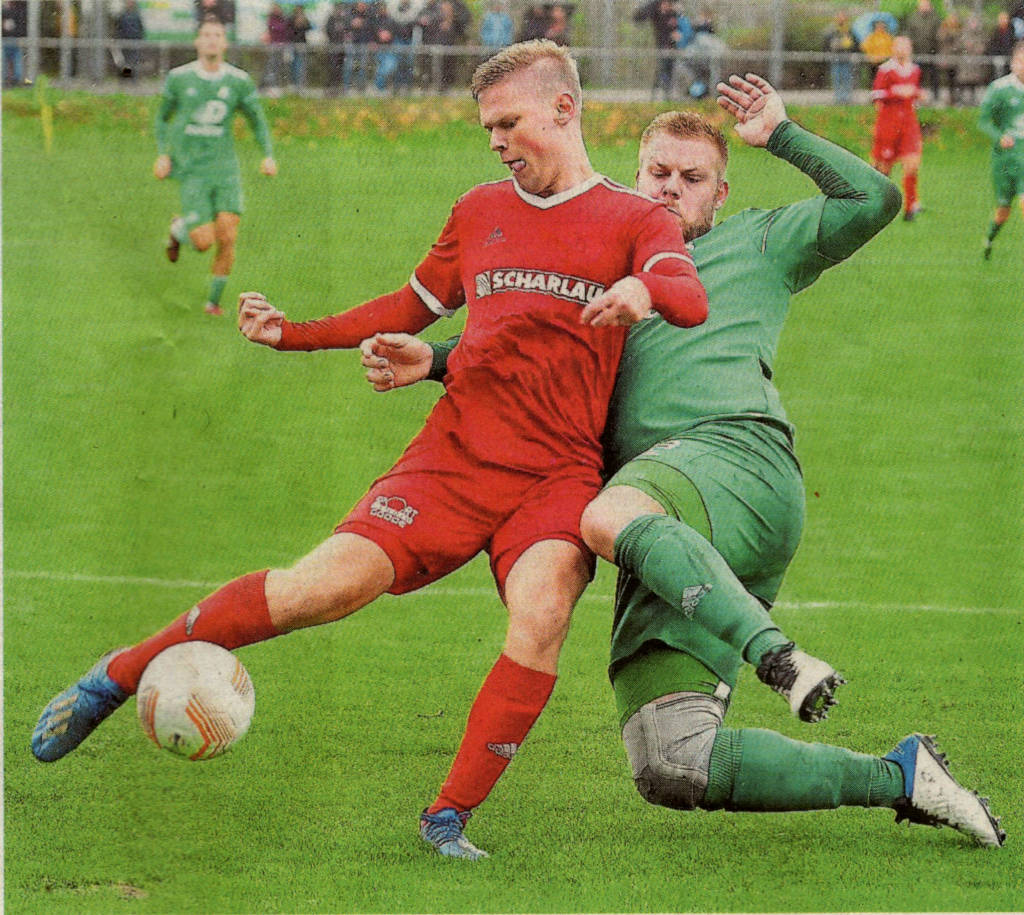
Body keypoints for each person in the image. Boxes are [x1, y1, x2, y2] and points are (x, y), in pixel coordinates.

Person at [31, 40, 708, 865]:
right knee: (320, 589)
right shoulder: (478, 209)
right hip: (452, 458)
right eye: (486, 127)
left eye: (508, 122)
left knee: (542, 614)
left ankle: (446, 818)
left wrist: (642, 287)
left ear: (563, 110)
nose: (495, 140)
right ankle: (118, 673)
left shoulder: (637, 218)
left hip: (556, 475)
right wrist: (295, 334)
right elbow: (411, 304)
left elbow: (688, 294)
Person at [366, 74, 1006, 850]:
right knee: (672, 762)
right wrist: (434, 361)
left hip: (737, 465)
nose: (671, 189)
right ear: (634, 178)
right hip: (667, 530)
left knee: (601, 513)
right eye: (657, 174)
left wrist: (784, 133)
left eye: (691, 178)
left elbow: (873, 201)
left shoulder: (760, 241)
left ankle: (776, 655)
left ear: (720, 193)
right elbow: (523, 370)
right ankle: (902, 775)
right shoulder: (597, 266)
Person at [152, 17, 277, 316]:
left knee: (228, 236)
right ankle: (178, 229)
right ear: (197, 42)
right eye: (205, 35)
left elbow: (257, 121)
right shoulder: (179, 78)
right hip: (192, 170)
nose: (211, 40)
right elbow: (161, 118)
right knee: (204, 242)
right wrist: (163, 154)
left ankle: (213, 303)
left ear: (225, 43)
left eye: (217, 35)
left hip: (225, 170)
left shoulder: (238, 81)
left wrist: (268, 154)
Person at [871, 35, 923, 221]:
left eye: (906, 46)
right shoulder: (885, 69)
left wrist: (917, 94)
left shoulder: (915, 69)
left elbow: (914, 93)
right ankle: (876, 204)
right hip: (889, 124)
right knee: (883, 168)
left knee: (912, 163)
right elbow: (876, 95)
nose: (902, 50)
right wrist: (895, 92)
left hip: (909, 123)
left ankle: (910, 207)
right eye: (899, 46)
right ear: (893, 49)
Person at [979, 41, 1024, 260]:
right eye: (1020, 61)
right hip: (1006, 159)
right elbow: (984, 121)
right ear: (1014, 63)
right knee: (1003, 210)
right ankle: (989, 239)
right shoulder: (999, 89)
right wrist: (1000, 137)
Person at [634, 0, 686, 101]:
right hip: (662, 46)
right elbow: (639, 17)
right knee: (662, 69)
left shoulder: (674, 13)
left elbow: (680, 26)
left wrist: (677, 34)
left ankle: (667, 93)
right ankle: (659, 94)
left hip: (673, 47)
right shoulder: (655, 10)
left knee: (670, 70)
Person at [904, 0, 940, 99]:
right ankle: (915, 97)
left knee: (934, 76)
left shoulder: (935, 18)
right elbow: (909, 34)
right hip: (917, 52)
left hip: (932, 52)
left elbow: (939, 34)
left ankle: (935, 97)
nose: (924, 7)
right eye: (923, 5)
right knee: (917, 76)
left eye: (926, 5)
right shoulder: (912, 18)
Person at [823, 11, 856, 105]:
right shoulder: (832, 29)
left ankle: (847, 98)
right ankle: (838, 98)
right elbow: (826, 42)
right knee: (837, 77)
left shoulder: (849, 30)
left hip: (846, 57)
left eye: (843, 16)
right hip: (835, 57)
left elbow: (854, 42)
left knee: (847, 77)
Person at [262, 2, 292, 92]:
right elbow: (275, 28)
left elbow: (287, 29)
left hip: (283, 45)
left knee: (282, 66)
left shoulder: (284, 18)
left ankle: (281, 84)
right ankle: (271, 84)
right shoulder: (271, 18)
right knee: (272, 65)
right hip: (274, 45)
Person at [114, 0, 145, 80]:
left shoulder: (136, 16)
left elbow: (140, 29)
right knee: (125, 62)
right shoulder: (122, 15)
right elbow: (118, 28)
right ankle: (126, 77)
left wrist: (140, 39)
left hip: (135, 42)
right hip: (124, 43)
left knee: (134, 61)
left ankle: (133, 78)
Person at [2, 0, 27, 88]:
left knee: (13, 59)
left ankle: (11, 79)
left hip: (12, 39)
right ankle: (12, 79)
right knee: (13, 59)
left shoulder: (16, 9)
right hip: (9, 39)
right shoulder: (15, 10)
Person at [986, 11, 1019, 77]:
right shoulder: (995, 32)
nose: (1003, 21)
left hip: (1009, 58)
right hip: (998, 58)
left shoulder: (1012, 32)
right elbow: (992, 46)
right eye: (1001, 19)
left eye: (1005, 19)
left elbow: (1014, 44)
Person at [288, 3, 312, 90]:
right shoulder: (291, 18)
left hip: (302, 44)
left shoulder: (305, 18)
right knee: (294, 64)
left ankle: (302, 83)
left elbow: (309, 28)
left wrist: (303, 23)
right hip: (294, 44)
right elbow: (288, 31)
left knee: (302, 64)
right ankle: (294, 83)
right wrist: (295, 24)